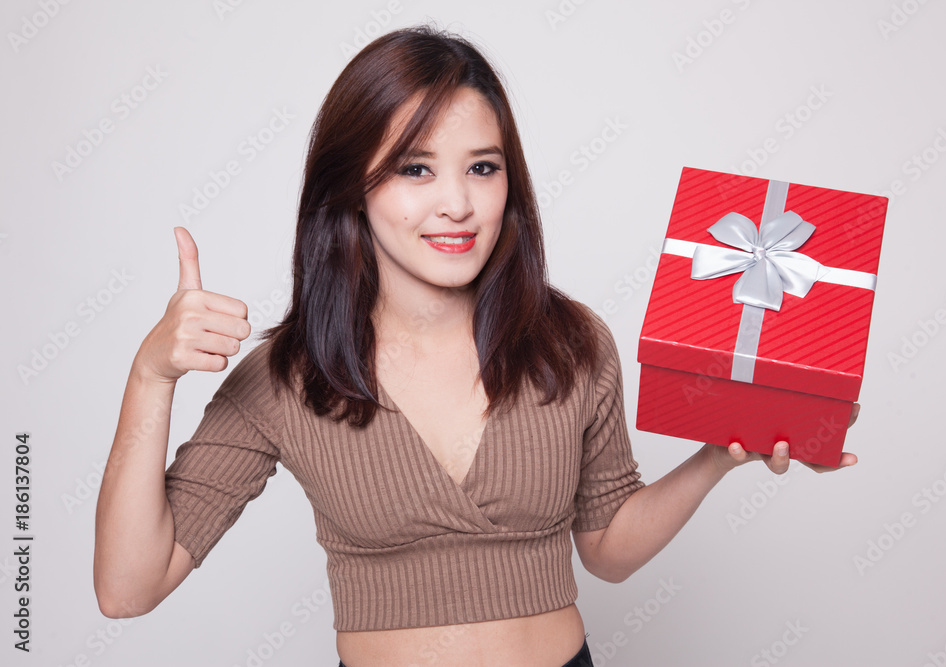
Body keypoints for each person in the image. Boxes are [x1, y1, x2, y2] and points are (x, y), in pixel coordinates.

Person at [93, 24, 859, 667]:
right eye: (415, 168)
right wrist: (150, 375)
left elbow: (609, 549)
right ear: (352, 186)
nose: (456, 203)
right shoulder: (287, 375)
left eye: (482, 168)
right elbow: (128, 589)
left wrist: (719, 453)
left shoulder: (572, 342)